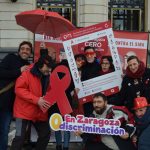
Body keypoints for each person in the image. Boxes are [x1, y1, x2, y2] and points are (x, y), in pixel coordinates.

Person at [10, 55, 55, 150]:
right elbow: (18, 89)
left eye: (51, 68)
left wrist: (49, 98)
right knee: (19, 137)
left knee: (45, 133)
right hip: (21, 112)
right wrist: (37, 100)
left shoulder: (48, 75)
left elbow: (50, 90)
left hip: (39, 112)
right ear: (40, 65)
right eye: (48, 67)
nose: (50, 70)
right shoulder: (27, 73)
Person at [0, 41, 32, 150]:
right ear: (19, 51)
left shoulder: (29, 66)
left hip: (14, 106)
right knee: (3, 130)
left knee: (5, 130)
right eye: (22, 48)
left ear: (30, 53)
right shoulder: (10, 58)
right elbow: (1, 72)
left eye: (28, 49)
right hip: (2, 100)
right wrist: (19, 70)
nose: (25, 51)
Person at [48, 48, 74, 150]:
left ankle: (59, 146)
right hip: (66, 99)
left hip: (57, 99)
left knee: (57, 123)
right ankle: (65, 147)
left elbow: (51, 83)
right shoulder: (72, 68)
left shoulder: (55, 66)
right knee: (65, 124)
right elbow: (73, 85)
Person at [81, 46, 100, 117]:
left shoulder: (100, 65)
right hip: (86, 97)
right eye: (87, 54)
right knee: (88, 118)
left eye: (91, 53)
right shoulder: (81, 66)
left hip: (99, 96)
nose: (89, 55)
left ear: (95, 54)